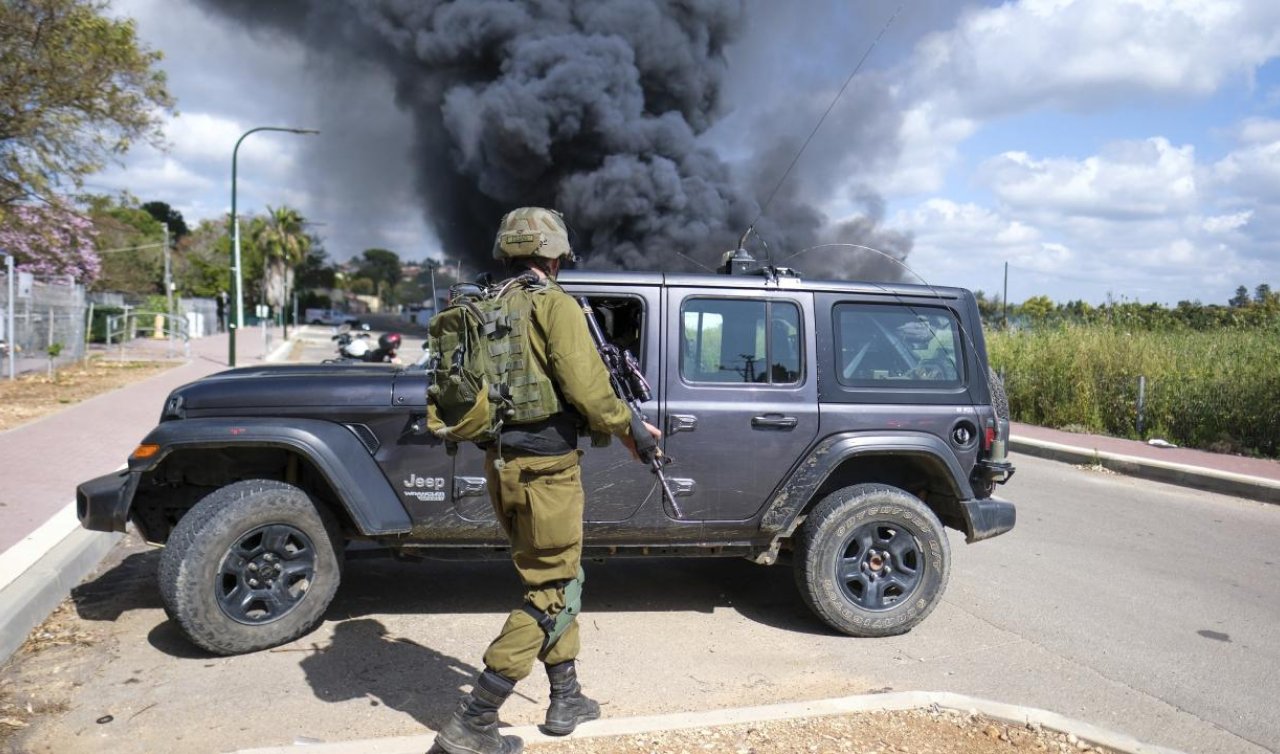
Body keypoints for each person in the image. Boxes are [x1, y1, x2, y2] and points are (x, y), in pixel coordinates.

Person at [434, 208, 662, 754]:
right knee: (552, 589)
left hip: (503, 465)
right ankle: (475, 719)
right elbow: (588, 390)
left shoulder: (483, 303)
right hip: (547, 471)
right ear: (554, 254)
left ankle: (567, 696)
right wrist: (632, 428)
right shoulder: (551, 303)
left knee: (559, 575)